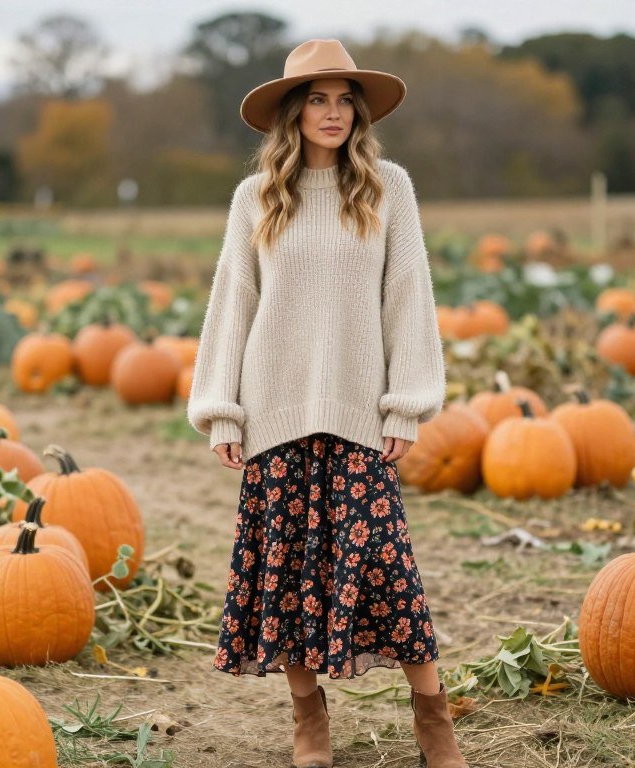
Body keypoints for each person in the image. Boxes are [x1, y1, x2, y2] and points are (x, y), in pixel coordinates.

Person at [186, 39, 466, 768]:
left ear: (360, 112)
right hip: (274, 418)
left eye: (345, 100)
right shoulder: (255, 197)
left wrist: (405, 404)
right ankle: (309, 720)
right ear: (293, 110)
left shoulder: (387, 187)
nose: (334, 113)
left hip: (358, 417)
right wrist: (222, 408)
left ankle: (433, 717)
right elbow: (233, 302)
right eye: (318, 98)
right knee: (284, 581)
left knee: (387, 574)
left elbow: (409, 298)